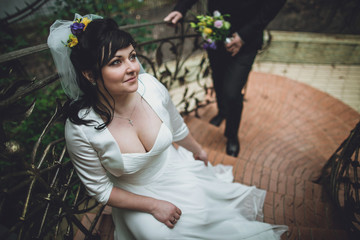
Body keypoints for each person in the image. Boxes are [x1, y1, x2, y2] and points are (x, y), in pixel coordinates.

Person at [47, 13, 287, 239]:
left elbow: (177, 125)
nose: (133, 68)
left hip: (174, 169)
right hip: (135, 196)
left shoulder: (149, 86)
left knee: (209, 216)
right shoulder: (81, 129)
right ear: (90, 75)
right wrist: (153, 205)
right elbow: (101, 190)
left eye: (132, 56)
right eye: (116, 62)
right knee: (159, 235)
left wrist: (198, 151)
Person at [164, 0, 286, 157]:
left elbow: (272, 7)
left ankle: (231, 135)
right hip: (214, 36)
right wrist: (181, 9)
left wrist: (244, 35)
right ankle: (222, 111)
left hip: (247, 41)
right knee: (218, 78)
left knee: (232, 92)